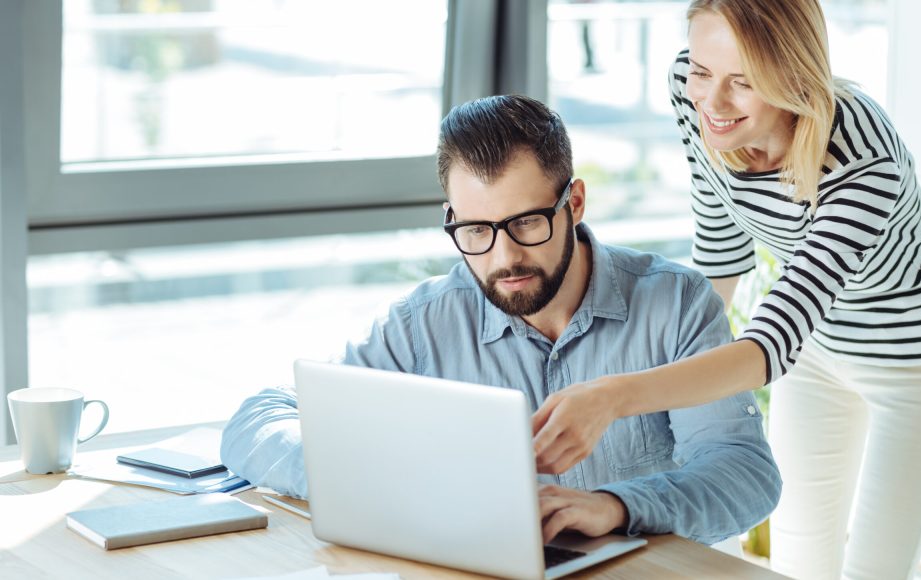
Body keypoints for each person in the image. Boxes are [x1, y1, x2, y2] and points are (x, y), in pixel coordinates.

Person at [529, 1, 921, 578]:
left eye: (743, 82)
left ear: (794, 76)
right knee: (798, 559)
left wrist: (615, 396)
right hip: (819, 347)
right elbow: (721, 246)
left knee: (876, 570)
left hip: (918, 357)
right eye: (702, 71)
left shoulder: (862, 160)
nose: (712, 104)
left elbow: (769, 345)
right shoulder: (690, 90)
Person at [220, 94, 780, 546]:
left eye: (527, 223)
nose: (503, 258)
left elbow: (745, 474)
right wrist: (373, 479)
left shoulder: (676, 303)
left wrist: (615, 507)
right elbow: (260, 419)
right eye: (476, 231)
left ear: (575, 202)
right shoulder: (427, 322)